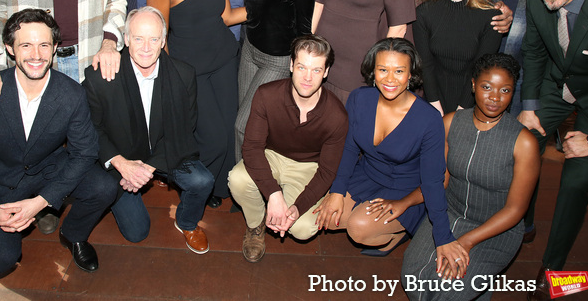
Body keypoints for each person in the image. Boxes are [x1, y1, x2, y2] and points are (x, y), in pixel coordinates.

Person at [0, 9, 117, 276]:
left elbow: (84, 153)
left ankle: (73, 234)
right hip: (0, 182)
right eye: (26, 45)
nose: (36, 55)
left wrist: (42, 201)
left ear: (55, 48)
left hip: (48, 169)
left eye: (44, 45)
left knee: (104, 186)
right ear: (9, 48)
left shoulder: (71, 94)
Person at [315, 38, 467, 266]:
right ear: (373, 71)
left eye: (399, 71)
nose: (390, 79)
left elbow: (434, 181)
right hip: (367, 175)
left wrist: (442, 236)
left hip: (405, 189)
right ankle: (369, 216)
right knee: (328, 218)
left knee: (359, 229)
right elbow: (348, 148)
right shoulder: (359, 98)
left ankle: (399, 233)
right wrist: (337, 191)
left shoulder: (428, 119)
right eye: (383, 69)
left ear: (411, 74)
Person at [402, 53, 539, 300]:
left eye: (505, 90)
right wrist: (403, 203)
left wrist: (466, 242)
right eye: (486, 87)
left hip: (495, 229)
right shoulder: (450, 123)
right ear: (474, 84)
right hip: (449, 216)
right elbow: (437, 181)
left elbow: (516, 210)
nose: (495, 97)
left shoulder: (524, 142)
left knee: (448, 292)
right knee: (415, 283)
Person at [83, 7, 215, 255]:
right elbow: (91, 130)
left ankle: (186, 222)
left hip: (165, 150)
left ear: (163, 41)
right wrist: (123, 165)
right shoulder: (100, 76)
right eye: (138, 38)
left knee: (202, 181)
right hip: (122, 157)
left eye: (154, 39)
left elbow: (186, 129)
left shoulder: (183, 74)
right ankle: (115, 195)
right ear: (126, 39)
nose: (146, 47)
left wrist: (148, 168)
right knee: (137, 233)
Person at [147, 0, 246, 208]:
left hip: (225, 59)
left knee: (231, 130)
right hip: (190, 69)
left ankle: (219, 188)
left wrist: (267, 5)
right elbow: (157, 36)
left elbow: (227, 15)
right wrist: (168, 79)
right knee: (212, 137)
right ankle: (197, 187)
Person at [516, 0, 588, 301]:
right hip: (555, 85)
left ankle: (553, 269)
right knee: (523, 146)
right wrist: (529, 104)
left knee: (577, 180)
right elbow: (533, 51)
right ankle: (524, 222)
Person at [228, 35, 347, 262]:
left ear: (326, 71)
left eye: (316, 69)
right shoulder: (266, 94)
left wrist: (297, 207)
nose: (307, 77)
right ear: (291, 65)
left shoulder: (336, 115)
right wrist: (273, 195)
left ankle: (286, 209)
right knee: (237, 179)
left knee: (303, 229)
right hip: (271, 154)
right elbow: (252, 148)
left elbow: (327, 171)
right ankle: (255, 225)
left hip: (308, 166)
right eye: (301, 67)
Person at [234, 0, 315, 162]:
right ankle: (246, 186)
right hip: (249, 53)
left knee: (243, 126)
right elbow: (253, 13)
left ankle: (249, 188)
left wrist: (299, 70)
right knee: (249, 123)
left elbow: (305, 33)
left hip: (278, 62)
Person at [414, 0, 502, 115]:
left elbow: (480, 70)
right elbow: (426, 65)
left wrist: (461, 112)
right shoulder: (424, 12)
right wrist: (435, 107)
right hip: (433, 100)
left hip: (472, 103)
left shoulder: (491, 17)